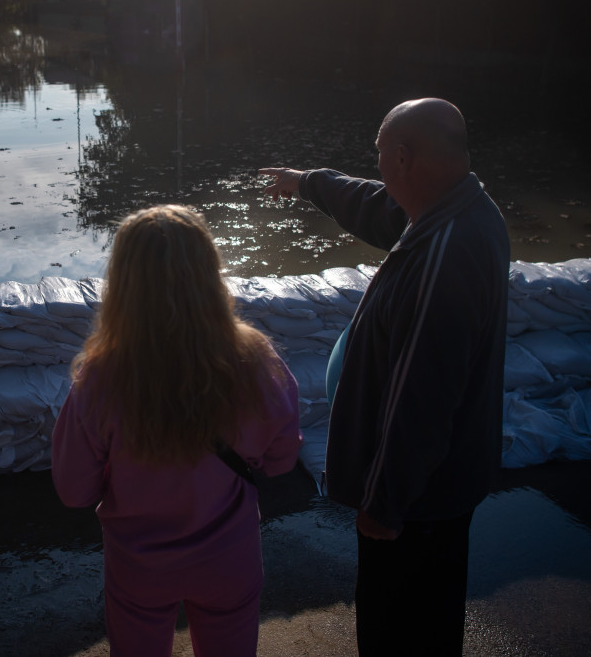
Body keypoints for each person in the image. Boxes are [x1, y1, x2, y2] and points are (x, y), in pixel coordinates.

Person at [259, 98, 509, 655]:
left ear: (402, 157)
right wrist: (307, 182)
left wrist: (384, 501)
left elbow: (421, 396)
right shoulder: (458, 210)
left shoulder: (445, 256)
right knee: (430, 616)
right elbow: (377, 206)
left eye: (378, 154)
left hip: (418, 498)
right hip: (440, 485)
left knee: (399, 627)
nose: (376, 167)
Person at [51, 204, 303, 657]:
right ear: (209, 272)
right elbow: (283, 457)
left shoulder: (101, 379)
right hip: (231, 558)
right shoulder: (257, 359)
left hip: (139, 567)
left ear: (124, 284)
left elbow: (74, 491)